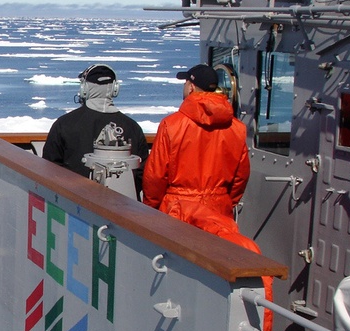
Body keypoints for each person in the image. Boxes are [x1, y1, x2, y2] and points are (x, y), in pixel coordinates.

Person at [143, 64, 250, 223]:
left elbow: (156, 175)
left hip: (178, 210)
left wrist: (151, 209)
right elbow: (241, 176)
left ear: (191, 87)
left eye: (185, 83)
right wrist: (225, 201)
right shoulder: (237, 128)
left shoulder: (171, 125)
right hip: (218, 210)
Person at [42, 64, 149, 195]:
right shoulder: (133, 127)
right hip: (122, 206)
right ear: (115, 89)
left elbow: (50, 169)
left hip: (74, 203)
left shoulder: (64, 124)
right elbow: (142, 173)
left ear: (84, 88)